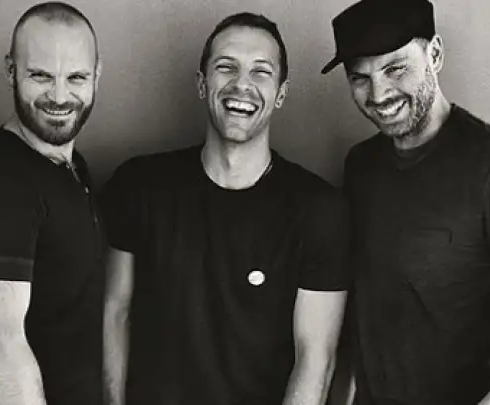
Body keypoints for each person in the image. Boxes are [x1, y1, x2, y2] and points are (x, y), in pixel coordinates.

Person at [103, 12, 350, 405]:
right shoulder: (139, 185)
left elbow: (316, 359)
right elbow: (115, 314)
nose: (242, 84)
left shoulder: (318, 210)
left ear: (281, 93)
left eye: (261, 71)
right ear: (202, 83)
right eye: (226, 67)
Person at [321, 0, 490, 404]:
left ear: (434, 54)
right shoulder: (361, 166)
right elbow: (360, 311)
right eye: (360, 78)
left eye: (395, 69)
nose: (378, 94)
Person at [0, 2, 104, 405]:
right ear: (11, 71)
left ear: (97, 75)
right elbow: (0, 346)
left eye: (76, 77)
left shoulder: (70, 165)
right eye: (40, 76)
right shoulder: (2, 180)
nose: (59, 96)